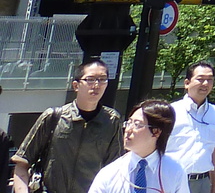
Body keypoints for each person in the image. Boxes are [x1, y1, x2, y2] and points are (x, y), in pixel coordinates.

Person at [13, 60, 125, 193]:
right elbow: (22, 162)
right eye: (90, 79)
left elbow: (116, 169)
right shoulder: (54, 116)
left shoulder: (112, 121)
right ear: (76, 85)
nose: (96, 85)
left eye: (102, 80)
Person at [87, 102, 184, 193]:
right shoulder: (110, 173)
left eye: (137, 124)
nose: (128, 130)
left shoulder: (174, 171)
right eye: (129, 123)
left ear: (156, 132)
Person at [168, 63, 215, 193]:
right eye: (200, 79)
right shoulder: (171, 111)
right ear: (187, 83)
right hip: (173, 180)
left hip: (203, 182)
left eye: (210, 79)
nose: (205, 83)